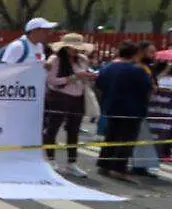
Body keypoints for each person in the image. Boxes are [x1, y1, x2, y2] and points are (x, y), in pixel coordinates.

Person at [95, 41, 151, 180]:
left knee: (111, 137)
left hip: (112, 106)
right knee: (126, 140)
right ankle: (118, 168)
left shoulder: (108, 67)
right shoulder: (137, 70)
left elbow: (99, 84)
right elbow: (147, 88)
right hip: (132, 109)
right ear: (135, 54)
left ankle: (104, 165)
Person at [42, 34, 95, 178]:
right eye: (73, 47)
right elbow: (51, 80)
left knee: (74, 130)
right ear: (65, 47)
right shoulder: (55, 59)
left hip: (78, 96)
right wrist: (71, 78)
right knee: (53, 128)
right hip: (59, 96)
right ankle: (50, 159)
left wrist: (88, 76)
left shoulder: (82, 59)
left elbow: (84, 76)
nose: (76, 50)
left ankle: (72, 163)